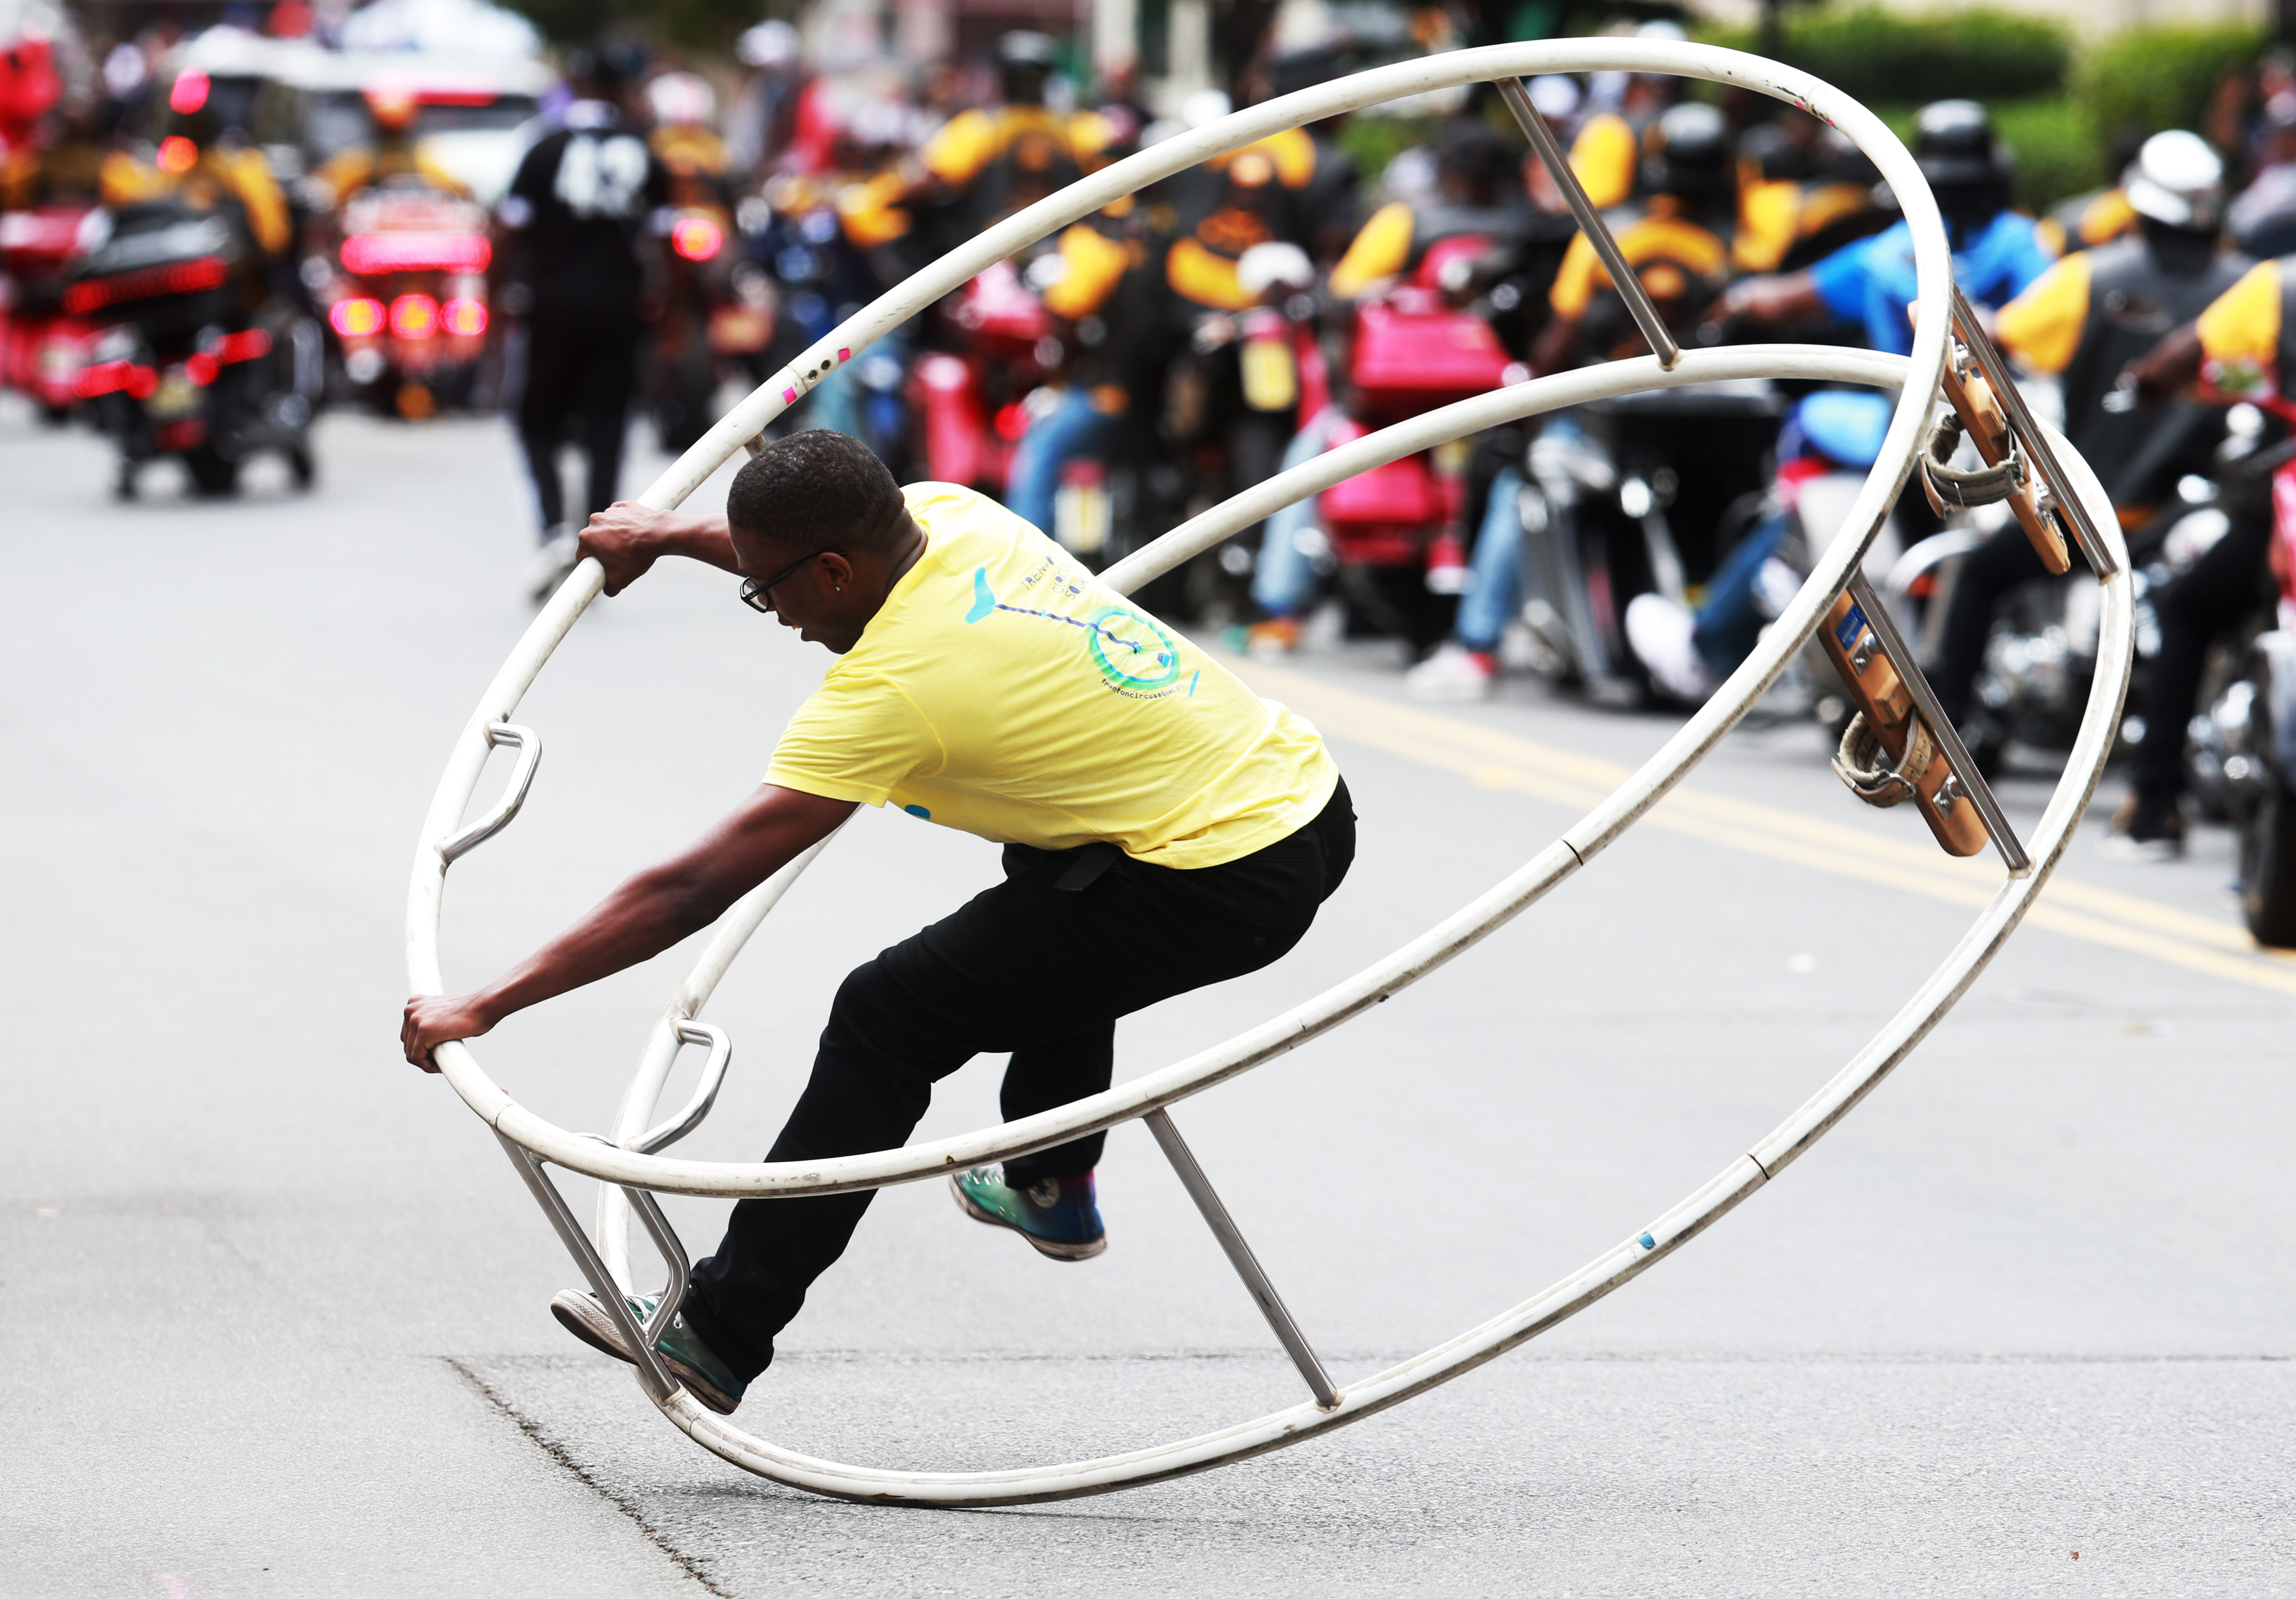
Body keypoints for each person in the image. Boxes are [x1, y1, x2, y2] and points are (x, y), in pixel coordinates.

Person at [400, 430, 1356, 1415]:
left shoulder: (891, 690)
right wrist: (673, 534)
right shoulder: (948, 512)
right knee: (1054, 890)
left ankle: (721, 1332)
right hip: (1302, 797)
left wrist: (490, 1001)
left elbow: (690, 890)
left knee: (887, 1013)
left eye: (767, 592)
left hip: (1223, 879)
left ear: (832, 572)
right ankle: (1053, 1178)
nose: (771, 616)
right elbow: (804, 545)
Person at [1924, 131, 2250, 773]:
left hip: (2091, 512)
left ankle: (1945, 737)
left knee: (1978, 571)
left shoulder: (2088, 277)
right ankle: (2157, 792)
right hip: (2191, 515)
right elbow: (2250, 381)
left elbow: (1997, 342)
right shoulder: (2249, 289)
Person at [1407, 103, 1737, 701]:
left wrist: (1526, 401)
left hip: (1607, 423)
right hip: (1715, 436)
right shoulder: (1740, 247)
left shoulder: (1609, 236)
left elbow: (1559, 340)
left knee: (1523, 482)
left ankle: (1476, 647)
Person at [2101, 248, 2296, 857]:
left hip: (2279, 504)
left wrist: (2154, 381)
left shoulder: (2279, 287)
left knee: (2188, 610)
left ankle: (2154, 808)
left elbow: (2196, 355)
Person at [499, 47, 669, 599]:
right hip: (621, 310)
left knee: (537, 422)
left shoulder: (544, 150)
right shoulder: (647, 154)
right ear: (622, 91)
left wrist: (497, 297)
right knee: (607, 427)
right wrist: (672, 314)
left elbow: (507, 231)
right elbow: (666, 245)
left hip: (550, 308)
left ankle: (552, 528)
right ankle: (597, 545)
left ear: (575, 84)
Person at [1711, 101, 2056, 360]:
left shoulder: (1885, 252)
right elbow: (2048, 315)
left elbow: (1781, 302)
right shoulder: (2024, 237)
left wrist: (1733, 299)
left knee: (1808, 417)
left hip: (1910, 422)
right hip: (2017, 421)